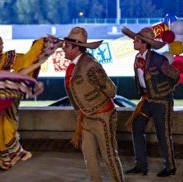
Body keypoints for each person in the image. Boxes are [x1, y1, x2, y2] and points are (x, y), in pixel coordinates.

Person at [0, 33, 61, 170]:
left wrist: (40, 47)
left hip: (5, 100)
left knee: (6, 127)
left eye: (2, 44)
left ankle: (4, 160)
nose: (1, 47)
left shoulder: (8, 57)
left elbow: (25, 62)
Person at [58, 26, 124, 182]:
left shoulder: (90, 65)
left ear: (76, 48)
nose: (63, 48)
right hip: (87, 116)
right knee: (89, 155)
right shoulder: (75, 66)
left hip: (102, 116)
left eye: (67, 46)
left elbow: (111, 90)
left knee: (109, 156)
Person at [122, 27, 179, 177]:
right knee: (136, 127)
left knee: (163, 134)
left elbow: (175, 75)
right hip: (147, 100)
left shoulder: (159, 60)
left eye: (137, 40)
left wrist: (165, 90)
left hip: (162, 101)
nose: (134, 41)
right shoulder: (137, 58)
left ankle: (170, 166)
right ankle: (141, 165)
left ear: (144, 44)